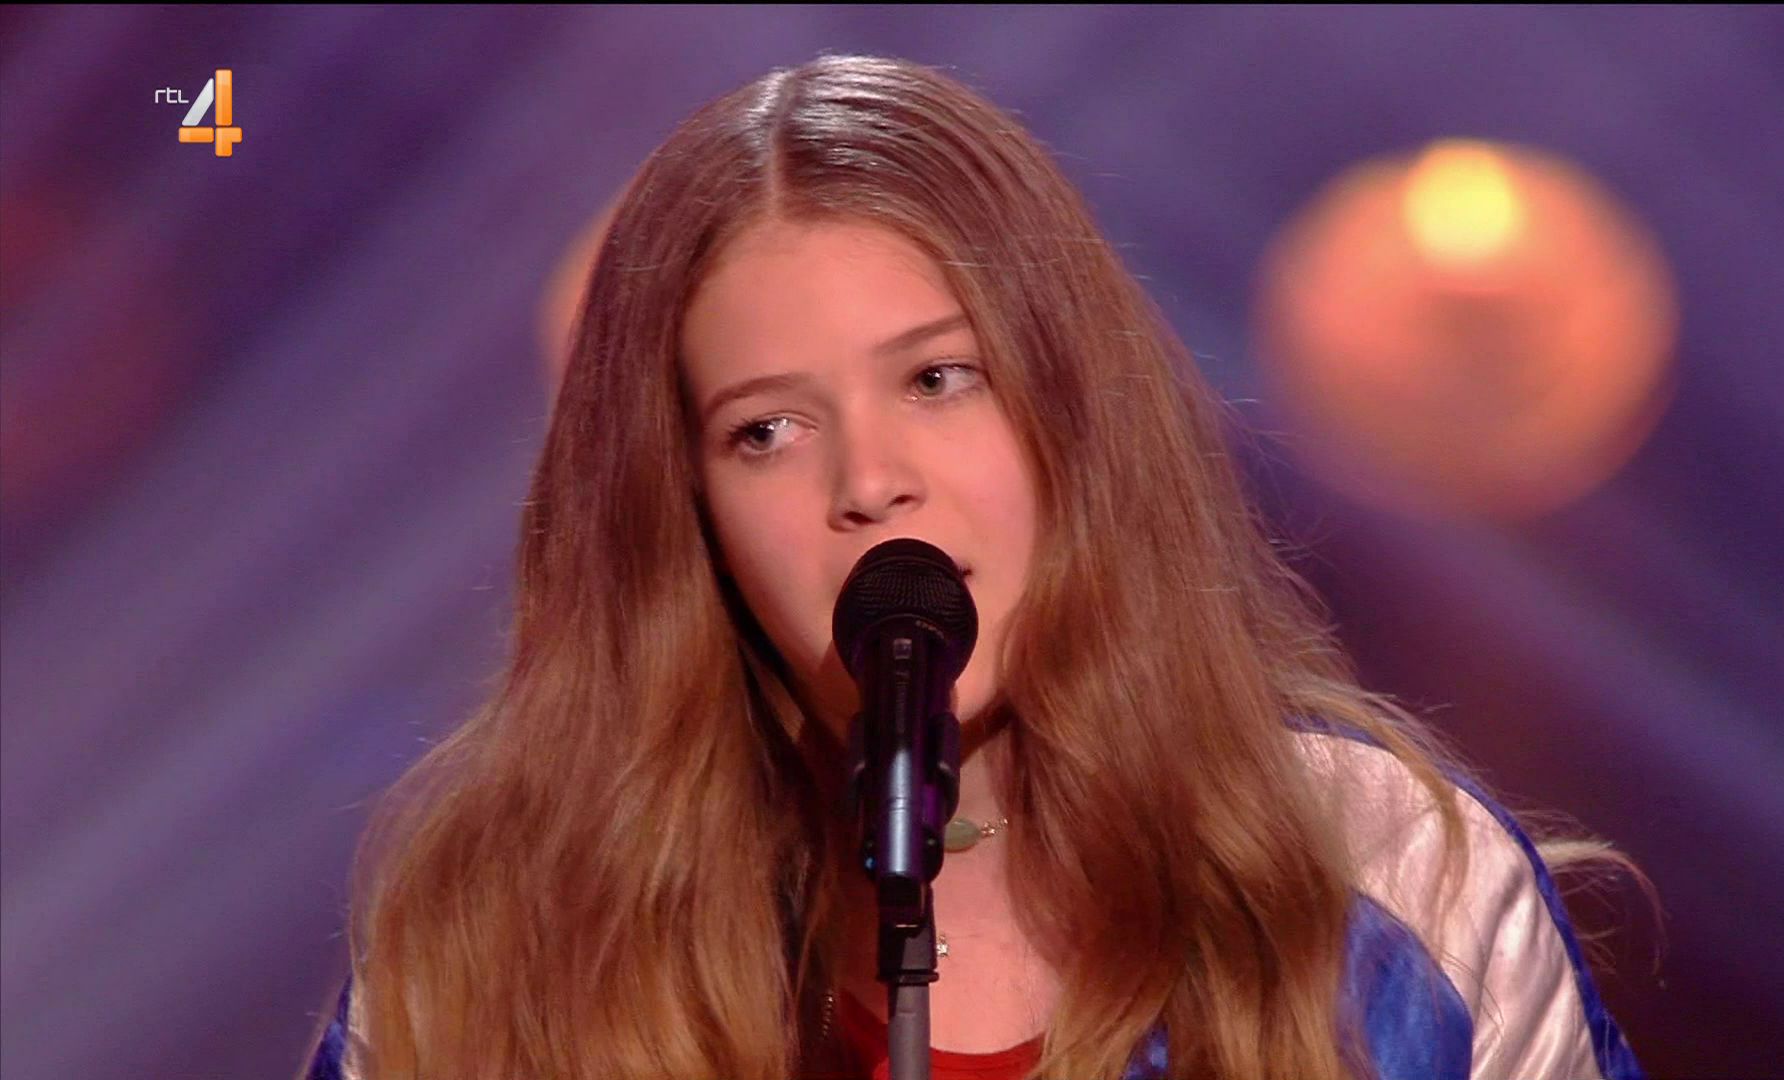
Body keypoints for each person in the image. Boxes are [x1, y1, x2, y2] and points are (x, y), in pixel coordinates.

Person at [304, 53, 1650, 1080]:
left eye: (939, 379)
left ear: (1070, 411)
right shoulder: (494, 946)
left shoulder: (1386, 879)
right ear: (686, 516)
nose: (870, 480)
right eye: (767, 431)